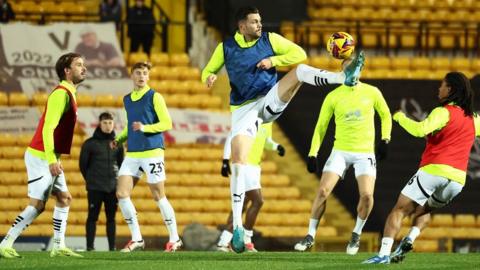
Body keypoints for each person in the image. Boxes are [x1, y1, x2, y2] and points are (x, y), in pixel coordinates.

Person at [202, 5, 365, 253]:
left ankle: (343, 78)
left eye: (260, 20)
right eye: (255, 22)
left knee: (299, 71)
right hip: (244, 110)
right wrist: (209, 77)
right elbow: (208, 69)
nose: (260, 25)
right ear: (242, 26)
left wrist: (273, 60)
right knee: (238, 161)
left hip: (269, 99)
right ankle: (237, 227)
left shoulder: (270, 39)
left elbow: (298, 53)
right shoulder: (226, 47)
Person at [363, 72, 479, 264]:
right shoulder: (474, 118)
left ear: (450, 89)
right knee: (424, 210)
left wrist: (400, 117)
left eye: (442, 85)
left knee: (399, 210)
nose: (438, 89)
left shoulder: (443, 112)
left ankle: (383, 254)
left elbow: (420, 130)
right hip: (458, 180)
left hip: (434, 170)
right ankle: (410, 238)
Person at [293, 58, 392, 254]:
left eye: (355, 68)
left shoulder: (372, 92)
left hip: (364, 153)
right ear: (342, 71)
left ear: (361, 69)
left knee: (367, 196)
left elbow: (386, 115)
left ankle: (356, 234)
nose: (352, 72)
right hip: (340, 151)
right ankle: (310, 235)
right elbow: (321, 126)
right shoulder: (333, 96)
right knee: (322, 191)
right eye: (348, 69)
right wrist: (313, 153)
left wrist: (385, 140)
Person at [0, 53, 86, 258]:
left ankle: (58, 245)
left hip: (50, 156)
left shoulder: (69, 93)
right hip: (41, 156)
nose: (84, 68)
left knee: (64, 198)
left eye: (84, 64)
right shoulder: (60, 94)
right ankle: (5, 243)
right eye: (79, 65)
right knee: (37, 205)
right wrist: (51, 160)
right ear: (67, 71)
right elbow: (48, 129)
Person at [111, 62, 182, 252]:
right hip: (133, 153)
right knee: (121, 194)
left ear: (148, 77)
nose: (142, 76)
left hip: (152, 152)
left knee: (158, 196)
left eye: (145, 73)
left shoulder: (155, 96)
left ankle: (175, 238)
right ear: (132, 76)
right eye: (138, 73)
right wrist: (119, 139)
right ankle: (137, 239)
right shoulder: (127, 99)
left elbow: (167, 123)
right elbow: (130, 125)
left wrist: (145, 128)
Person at [216, 121, 285, 252]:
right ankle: (247, 239)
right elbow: (232, 136)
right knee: (258, 201)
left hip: (255, 168)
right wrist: (225, 160)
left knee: (241, 204)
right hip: (244, 165)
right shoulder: (248, 116)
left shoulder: (268, 121)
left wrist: (276, 147)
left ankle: (224, 241)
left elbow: (267, 141)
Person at [79, 112, 124, 251]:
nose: (108, 125)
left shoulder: (118, 144)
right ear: (99, 124)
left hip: (112, 187)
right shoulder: (89, 144)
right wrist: (92, 180)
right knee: (92, 217)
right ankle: (90, 247)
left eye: (110, 122)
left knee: (111, 219)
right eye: (105, 123)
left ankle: (112, 248)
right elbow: (83, 165)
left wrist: (118, 184)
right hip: (95, 187)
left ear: (113, 124)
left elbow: (122, 165)